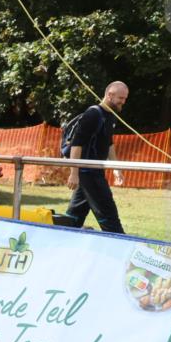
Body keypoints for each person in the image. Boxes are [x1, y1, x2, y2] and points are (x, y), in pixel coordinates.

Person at [65, 81, 128, 234]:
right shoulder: (93, 114)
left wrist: (116, 168)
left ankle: (62, 235)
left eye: (125, 98)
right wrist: (74, 173)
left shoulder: (110, 115)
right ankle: (120, 243)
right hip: (88, 173)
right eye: (120, 98)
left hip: (96, 172)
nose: (123, 102)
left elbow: (109, 144)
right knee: (109, 215)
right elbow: (76, 145)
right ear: (110, 95)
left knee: (74, 216)